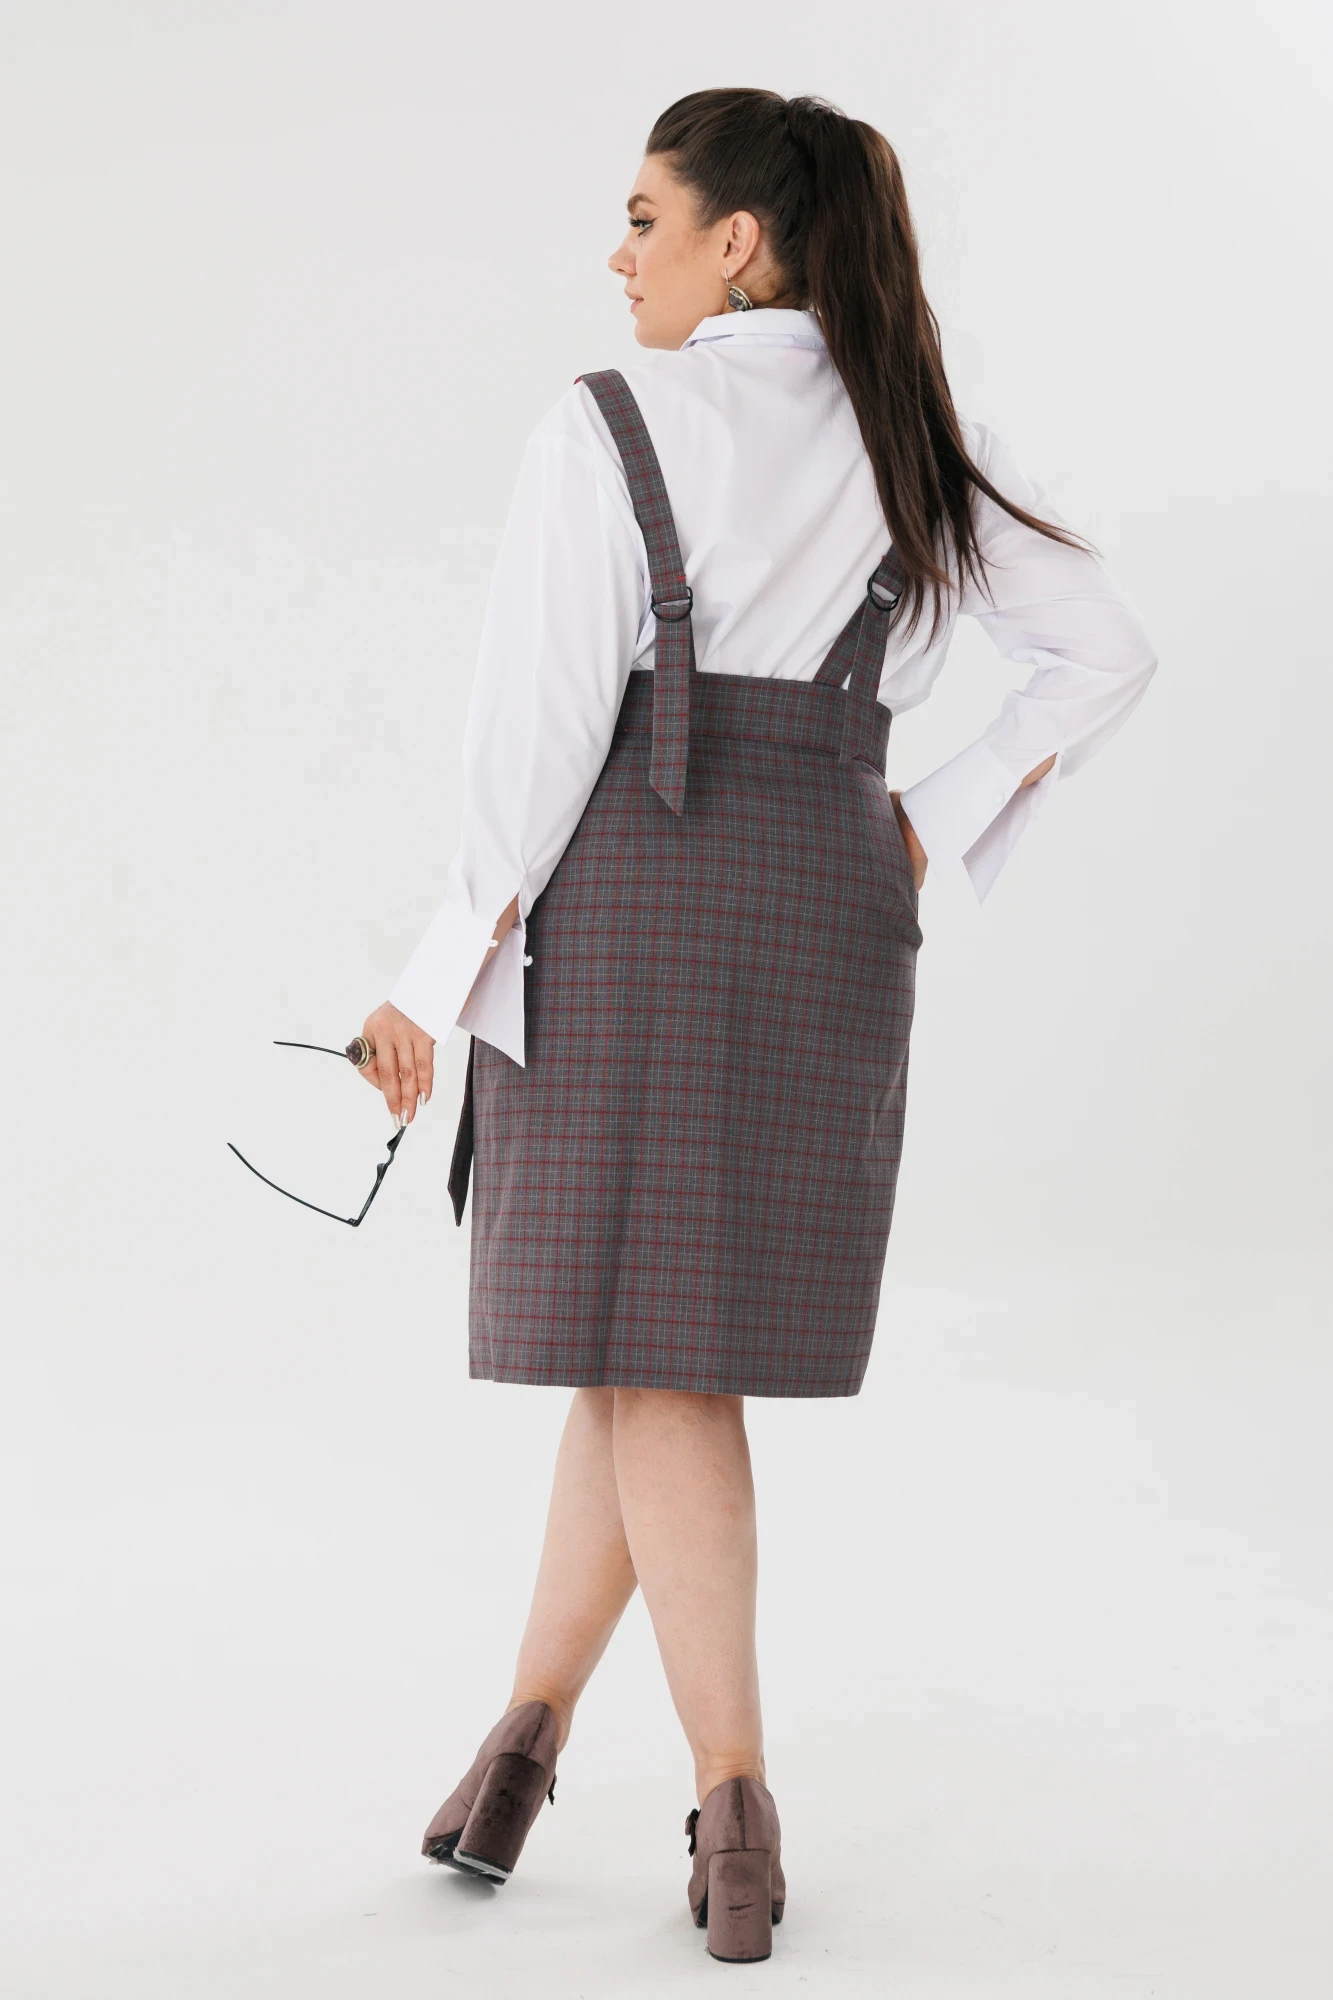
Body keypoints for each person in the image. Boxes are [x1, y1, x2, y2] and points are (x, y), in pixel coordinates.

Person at [354, 88, 1157, 1963]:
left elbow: (539, 740)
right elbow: (1105, 652)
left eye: (644, 217)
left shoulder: (610, 422)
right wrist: (924, 819)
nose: (616, 253)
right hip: (824, 917)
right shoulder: (914, 438)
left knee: (664, 1363)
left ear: (738, 243)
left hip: (631, 908)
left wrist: (431, 971)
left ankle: (734, 1805)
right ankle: (522, 1744)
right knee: (640, 1346)